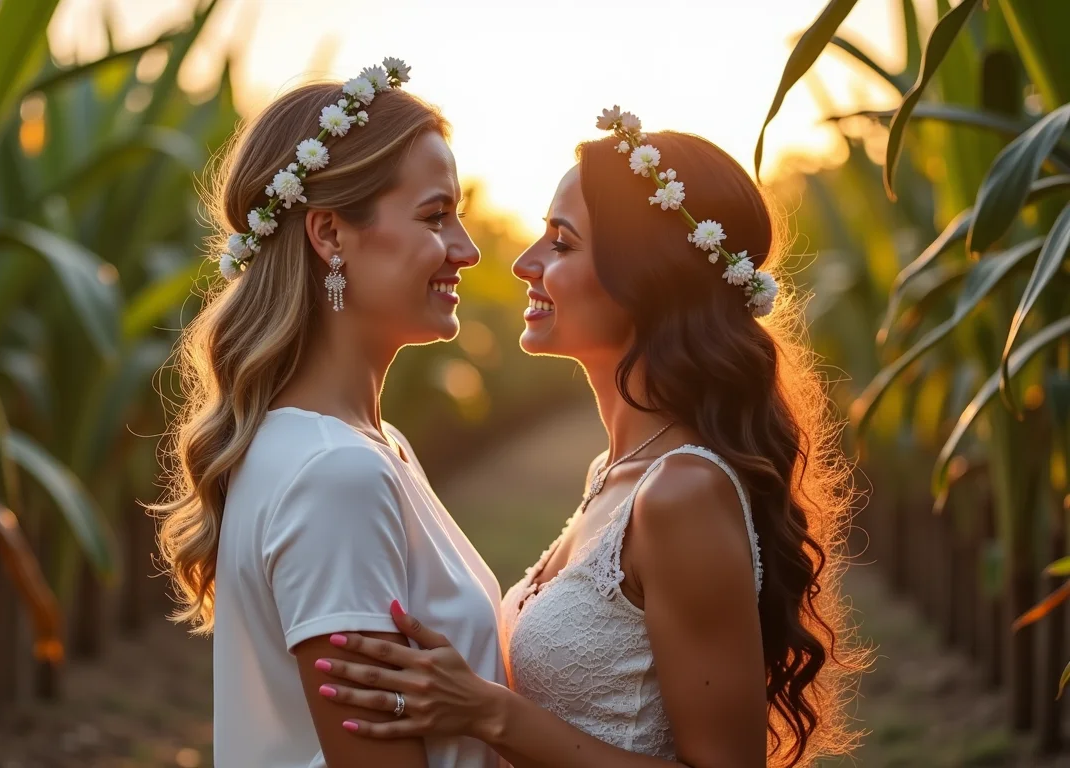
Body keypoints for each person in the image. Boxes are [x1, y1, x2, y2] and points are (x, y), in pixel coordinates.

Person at [311, 108, 863, 767]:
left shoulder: (683, 493)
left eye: (562, 244)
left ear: (647, 278)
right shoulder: (613, 472)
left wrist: (491, 713)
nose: (524, 263)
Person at [154, 60, 507, 768]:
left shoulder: (363, 446)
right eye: (435, 216)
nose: (466, 250)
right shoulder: (335, 473)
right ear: (329, 234)